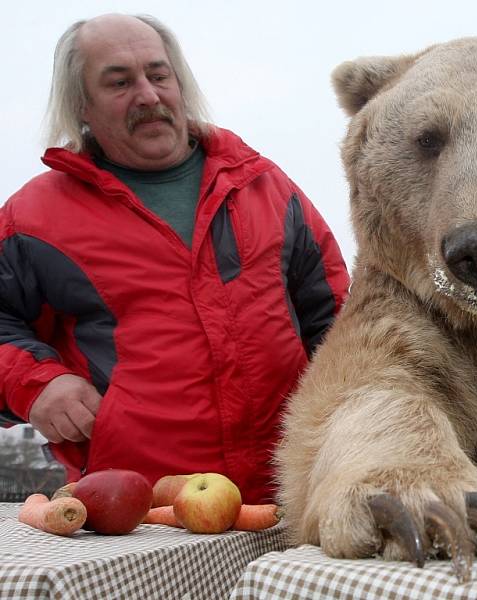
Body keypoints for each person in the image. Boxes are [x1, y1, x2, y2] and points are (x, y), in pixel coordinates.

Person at [0, 14, 349, 504]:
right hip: (137, 513)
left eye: (158, 75)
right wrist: (37, 385)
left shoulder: (265, 187)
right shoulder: (33, 218)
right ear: (81, 104)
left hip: (294, 493)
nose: (147, 95)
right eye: (119, 82)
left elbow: (339, 324)